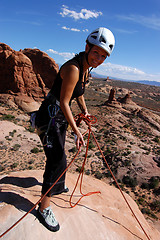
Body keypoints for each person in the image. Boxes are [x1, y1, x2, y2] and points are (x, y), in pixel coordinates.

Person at [35, 27, 115, 232]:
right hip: (50, 118)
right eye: (96, 52)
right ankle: (43, 208)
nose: (99, 58)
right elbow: (63, 101)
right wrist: (77, 131)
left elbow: (78, 92)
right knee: (55, 160)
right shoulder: (74, 68)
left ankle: (57, 187)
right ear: (87, 47)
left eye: (103, 56)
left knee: (60, 155)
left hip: (59, 118)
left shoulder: (86, 67)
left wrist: (85, 111)